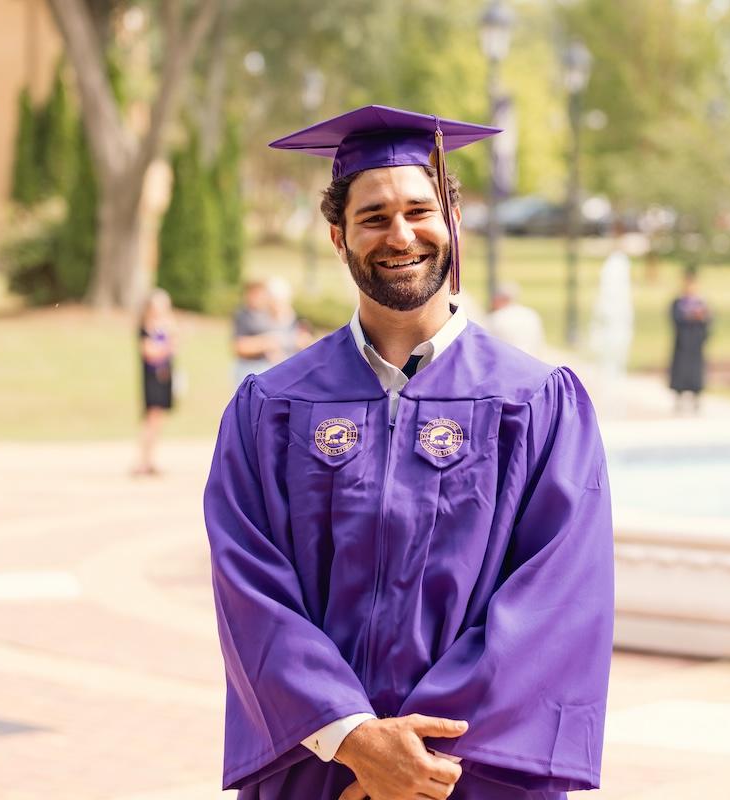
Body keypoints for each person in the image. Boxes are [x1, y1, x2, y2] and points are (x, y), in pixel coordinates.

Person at [204, 106, 614, 800]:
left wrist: (411, 763)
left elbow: (556, 604)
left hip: (472, 777)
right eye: (374, 217)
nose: (401, 235)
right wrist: (355, 740)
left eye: (420, 211)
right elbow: (250, 591)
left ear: (453, 221)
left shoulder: (537, 404)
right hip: (324, 774)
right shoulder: (271, 408)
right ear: (338, 236)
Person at [133, 288, 175, 477]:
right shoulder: (145, 327)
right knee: (150, 419)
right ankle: (143, 461)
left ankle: (151, 460)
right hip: (152, 378)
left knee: (158, 420)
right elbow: (149, 353)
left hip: (164, 376)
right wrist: (167, 347)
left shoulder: (165, 326)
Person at [668, 267, 711, 412]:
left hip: (696, 343)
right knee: (680, 370)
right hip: (682, 342)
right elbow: (675, 319)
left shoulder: (701, 302)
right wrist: (691, 316)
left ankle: (696, 397)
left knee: (695, 371)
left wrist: (702, 317)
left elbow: (708, 321)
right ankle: (679, 397)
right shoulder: (678, 302)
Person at [232, 279, 281, 385]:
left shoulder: (268, 314)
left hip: (265, 366)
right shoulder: (242, 315)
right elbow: (239, 346)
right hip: (247, 367)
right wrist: (264, 343)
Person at [485, 282, 545, 358]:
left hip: (509, 362)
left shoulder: (495, 318)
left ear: (499, 299)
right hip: (532, 360)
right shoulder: (531, 314)